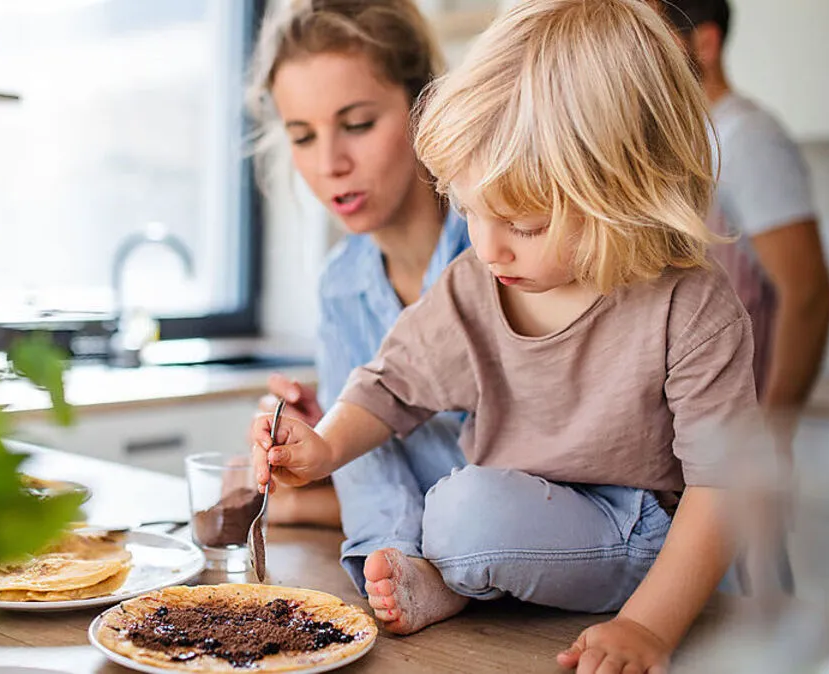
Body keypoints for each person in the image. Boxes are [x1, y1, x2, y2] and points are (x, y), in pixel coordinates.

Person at [251, 1, 759, 672]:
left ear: (623, 191)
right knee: (465, 511)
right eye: (471, 212)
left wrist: (647, 628)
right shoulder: (476, 280)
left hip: (640, 540)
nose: (487, 248)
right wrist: (324, 448)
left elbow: (723, 488)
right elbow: (389, 384)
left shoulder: (691, 308)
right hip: (524, 531)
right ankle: (458, 581)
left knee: (469, 515)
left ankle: (469, 578)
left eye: (522, 225)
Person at [246, 0, 471, 579]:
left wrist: (312, 498)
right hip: (438, 587)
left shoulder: (505, 249)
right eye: (301, 136)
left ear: (425, 107)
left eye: (358, 125)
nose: (330, 163)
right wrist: (324, 444)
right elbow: (379, 483)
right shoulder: (341, 284)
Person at [661, 0, 829, 409]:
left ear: (704, 43)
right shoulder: (697, 139)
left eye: (659, 41)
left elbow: (808, 294)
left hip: (740, 420)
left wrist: (774, 429)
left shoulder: (749, 139)